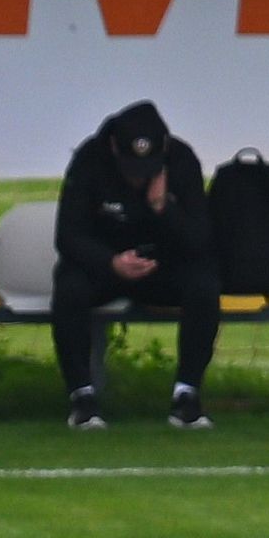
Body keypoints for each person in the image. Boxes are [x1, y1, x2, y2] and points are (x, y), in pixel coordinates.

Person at [50, 101, 219, 433]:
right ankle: (81, 397)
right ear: (114, 147)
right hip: (104, 266)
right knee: (69, 285)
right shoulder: (89, 159)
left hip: (162, 265)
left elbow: (200, 240)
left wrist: (162, 206)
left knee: (204, 283)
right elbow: (68, 236)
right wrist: (110, 262)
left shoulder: (182, 161)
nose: (138, 178)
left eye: (147, 170)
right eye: (131, 169)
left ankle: (187, 394)